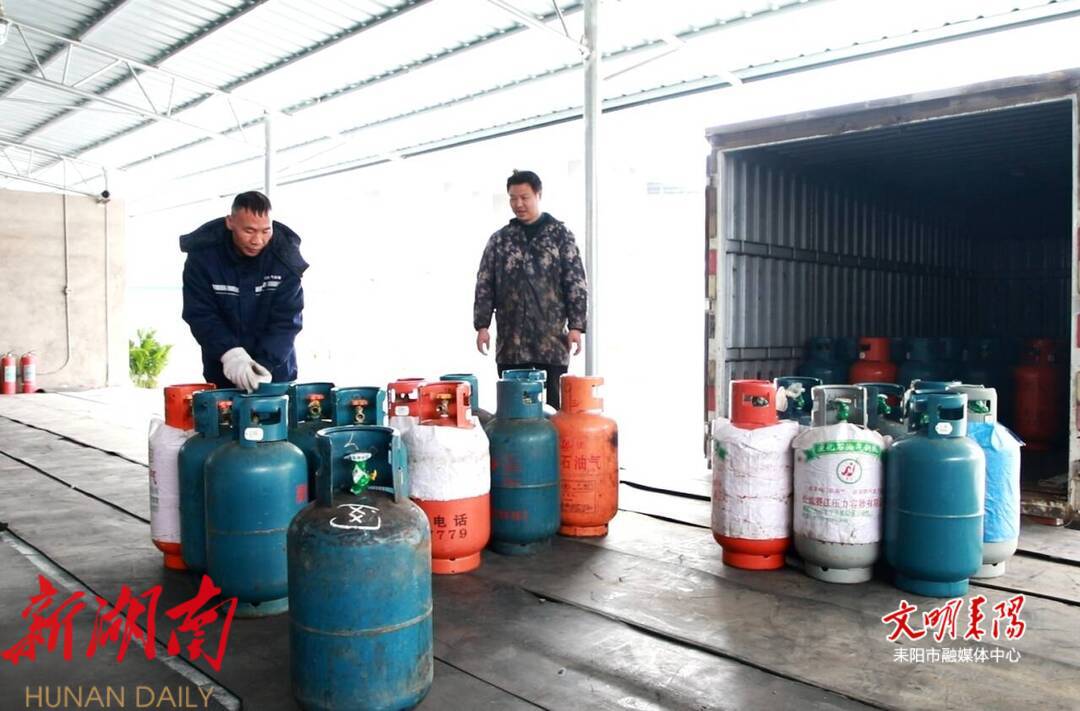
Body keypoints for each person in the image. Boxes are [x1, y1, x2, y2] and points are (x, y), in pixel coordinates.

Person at [473, 170, 588, 409]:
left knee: (552, 410)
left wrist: (576, 327)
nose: (518, 204)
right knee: (514, 409)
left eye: (524, 197)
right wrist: (482, 326)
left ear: (538, 195)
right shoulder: (500, 240)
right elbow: (485, 284)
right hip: (511, 344)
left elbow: (575, 282)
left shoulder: (560, 236)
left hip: (551, 342)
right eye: (513, 198)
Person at [180, 191, 308, 392]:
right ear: (230, 222)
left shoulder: (286, 259)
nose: (257, 240)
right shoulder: (202, 259)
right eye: (249, 231)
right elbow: (200, 313)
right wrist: (231, 355)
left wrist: (265, 364)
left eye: (266, 231)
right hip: (223, 371)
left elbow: (287, 319)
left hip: (276, 374)